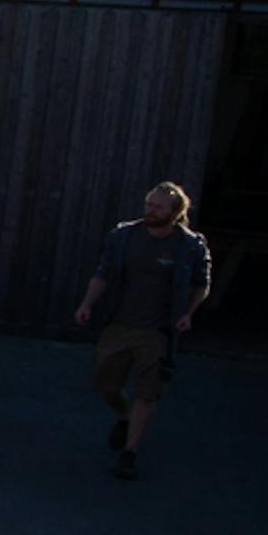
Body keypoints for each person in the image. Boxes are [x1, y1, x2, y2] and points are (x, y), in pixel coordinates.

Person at [73, 181, 211, 479]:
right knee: (106, 384)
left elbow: (202, 283)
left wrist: (188, 313)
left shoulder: (189, 246)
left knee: (147, 392)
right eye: (149, 204)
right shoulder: (123, 236)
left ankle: (129, 453)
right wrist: (87, 303)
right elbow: (103, 274)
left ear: (175, 212)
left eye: (159, 207)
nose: (151, 211)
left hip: (158, 330)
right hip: (120, 323)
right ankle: (123, 417)